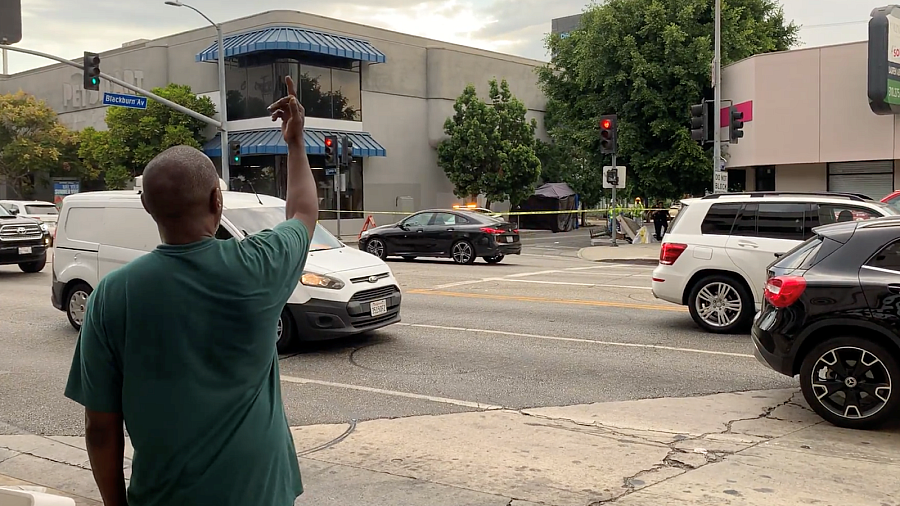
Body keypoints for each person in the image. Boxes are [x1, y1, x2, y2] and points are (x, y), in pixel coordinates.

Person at [63, 75, 318, 506]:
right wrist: (295, 143)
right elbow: (305, 211)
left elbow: (101, 426)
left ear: (146, 206)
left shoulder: (112, 294)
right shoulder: (259, 265)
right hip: (261, 492)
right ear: (218, 201)